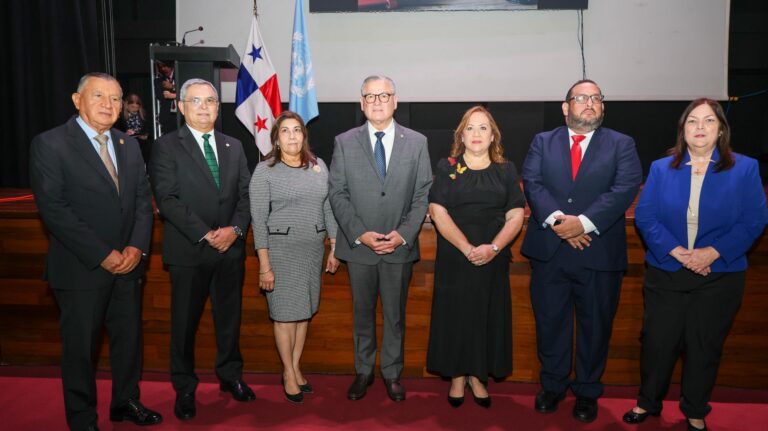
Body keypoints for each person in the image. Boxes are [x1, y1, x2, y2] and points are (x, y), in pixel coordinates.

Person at [624, 98, 767, 431]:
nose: (700, 128)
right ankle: (647, 401)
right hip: (667, 270)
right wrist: (676, 251)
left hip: (719, 275)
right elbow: (646, 216)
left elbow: (754, 219)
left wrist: (712, 253)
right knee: (658, 343)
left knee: (704, 345)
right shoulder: (662, 167)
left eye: (708, 121)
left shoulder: (744, 168)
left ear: (721, 130)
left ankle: (695, 408)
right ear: (682, 129)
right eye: (692, 121)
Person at [29, 72, 161, 431]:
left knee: (128, 341)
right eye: (99, 96)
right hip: (81, 268)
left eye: (116, 98)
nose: (109, 105)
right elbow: (54, 210)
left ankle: (126, 401)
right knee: (81, 351)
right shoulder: (51, 144)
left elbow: (140, 202)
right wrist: (104, 254)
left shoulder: (128, 145)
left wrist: (136, 246)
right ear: (77, 100)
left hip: (129, 265)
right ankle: (83, 419)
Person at [521, 79, 642, 423]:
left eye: (596, 98)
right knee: (551, 323)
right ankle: (554, 385)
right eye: (581, 98)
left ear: (602, 106)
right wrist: (562, 224)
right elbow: (533, 183)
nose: (589, 103)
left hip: (599, 253)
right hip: (551, 252)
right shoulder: (542, 142)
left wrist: (585, 222)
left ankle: (587, 391)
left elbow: (625, 187)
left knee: (595, 327)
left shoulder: (622, 144)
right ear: (565, 107)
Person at [149, 78, 253, 420]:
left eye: (211, 100)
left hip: (230, 250)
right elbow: (168, 200)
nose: (205, 107)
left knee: (229, 320)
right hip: (190, 251)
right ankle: (185, 387)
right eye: (196, 101)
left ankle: (230, 376)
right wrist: (208, 234)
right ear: (181, 106)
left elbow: (245, 195)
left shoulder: (233, 146)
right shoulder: (166, 146)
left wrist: (235, 230)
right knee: (184, 326)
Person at [328, 75, 433, 402]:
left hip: (398, 248)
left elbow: (422, 194)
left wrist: (402, 236)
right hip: (359, 247)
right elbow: (337, 193)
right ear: (361, 103)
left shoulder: (417, 142)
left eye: (383, 95)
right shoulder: (344, 141)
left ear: (395, 101)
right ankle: (363, 371)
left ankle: (391, 373)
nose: (376, 101)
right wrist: (360, 233)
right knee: (362, 315)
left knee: (394, 316)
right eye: (370, 96)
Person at [426, 106, 525, 408]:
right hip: (456, 257)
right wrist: (466, 247)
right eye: (470, 128)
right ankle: (457, 375)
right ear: (462, 135)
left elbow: (516, 214)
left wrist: (492, 248)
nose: (477, 134)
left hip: (492, 258)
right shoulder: (447, 166)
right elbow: (437, 210)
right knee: (456, 316)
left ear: (493, 135)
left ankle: (479, 377)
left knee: (486, 315)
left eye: (483, 128)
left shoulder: (506, 170)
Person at [249, 111, 340, 404]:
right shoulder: (265, 170)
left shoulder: (318, 166)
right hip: (281, 253)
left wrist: (334, 245)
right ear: (276, 138)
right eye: (285, 131)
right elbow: (258, 219)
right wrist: (265, 266)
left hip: (313, 250)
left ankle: (296, 367)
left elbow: (328, 208)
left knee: (303, 313)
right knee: (285, 315)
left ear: (304, 136)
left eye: (297, 131)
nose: (292, 136)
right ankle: (288, 372)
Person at [116, 93, 150, 163]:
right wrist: (125, 134)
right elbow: (116, 131)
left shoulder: (143, 115)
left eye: (137, 108)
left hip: (141, 145)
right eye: (132, 107)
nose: (135, 109)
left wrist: (145, 135)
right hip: (126, 145)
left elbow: (148, 129)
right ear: (126, 105)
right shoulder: (120, 117)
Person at [154, 61, 177, 136]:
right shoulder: (159, 81)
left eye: (165, 66)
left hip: (181, 115)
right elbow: (160, 97)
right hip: (168, 116)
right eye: (161, 67)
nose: (163, 69)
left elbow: (187, 92)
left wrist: (173, 87)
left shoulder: (180, 76)